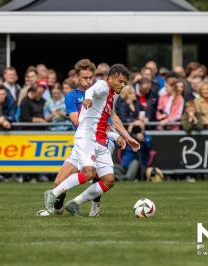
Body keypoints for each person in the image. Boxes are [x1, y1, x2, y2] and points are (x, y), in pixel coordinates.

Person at [44, 64, 140, 216]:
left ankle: (75, 203)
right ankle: (54, 194)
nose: (122, 85)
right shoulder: (102, 85)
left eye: (124, 82)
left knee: (108, 180)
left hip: (100, 139)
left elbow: (113, 117)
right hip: (86, 137)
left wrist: (128, 138)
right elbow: (91, 90)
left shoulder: (113, 95)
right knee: (88, 172)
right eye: (120, 81)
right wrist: (88, 99)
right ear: (111, 78)